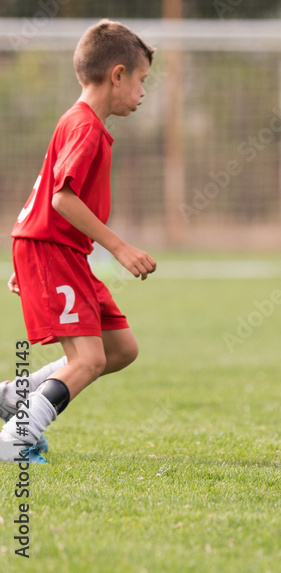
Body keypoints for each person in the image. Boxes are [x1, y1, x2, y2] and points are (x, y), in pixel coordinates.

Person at [0, 20, 157, 463]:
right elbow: (61, 197)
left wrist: (30, 258)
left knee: (120, 349)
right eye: (142, 81)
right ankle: (13, 442)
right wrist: (121, 248)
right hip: (53, 251)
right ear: (117, 74)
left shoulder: (79, 121)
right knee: (88, 360)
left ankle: (14, 397)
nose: (144, 92)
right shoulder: (85, 126)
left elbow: (44, 198)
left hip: (53, 250)